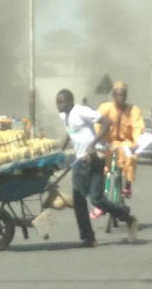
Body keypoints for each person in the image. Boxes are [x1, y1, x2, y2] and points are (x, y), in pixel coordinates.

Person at [55, 88, 138, 245]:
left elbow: (107, 122)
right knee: (79, 200)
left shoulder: (81, 111)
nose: (58, 105)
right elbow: (70, 132)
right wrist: (61, 149)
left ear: (71, 101)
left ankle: (126, 216)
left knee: (96, 198)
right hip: (80, 162)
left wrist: (93, 144)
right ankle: (88, 237)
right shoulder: (63, 115)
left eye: (62, 101)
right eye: (57, 102)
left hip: (94, 159)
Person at [97, 81, 145, 198]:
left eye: (123, 95)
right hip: (108, 142)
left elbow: (137, 126)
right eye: (118, 95)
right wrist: (98, 139)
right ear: (113, 95)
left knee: (131, 158)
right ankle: (102, 192)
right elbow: (97, 123)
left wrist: (137, 142)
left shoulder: (134, 110)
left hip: (126, 143)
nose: (120, 97)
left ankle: (127, 185)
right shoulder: (105, 108)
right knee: (101, 165)